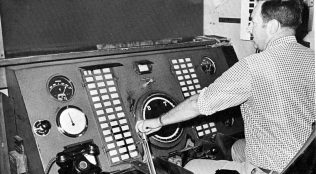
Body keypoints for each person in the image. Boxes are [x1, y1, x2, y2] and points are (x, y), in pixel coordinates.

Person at [136, 0, 315, 173]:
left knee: (191, 167)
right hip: (304, 162)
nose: (249, 28)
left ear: (273, 27)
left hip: (272, 169)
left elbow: (197, 104)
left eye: (253, 22)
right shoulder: (312, 59)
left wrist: (158, 121)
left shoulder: (253, 66)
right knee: (237, 148)